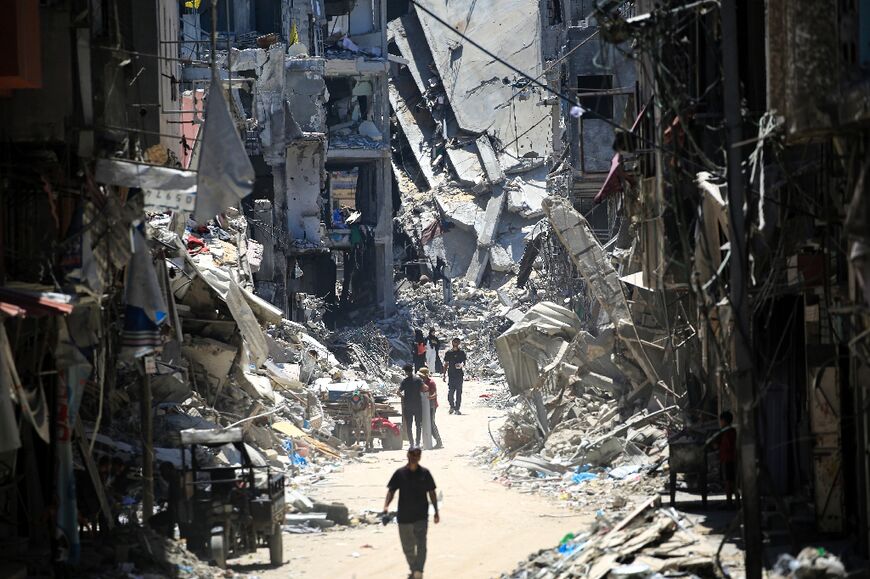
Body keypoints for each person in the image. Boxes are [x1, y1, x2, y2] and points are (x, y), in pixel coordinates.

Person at [383, 447, 440, 579]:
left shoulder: (425, 473)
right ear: (407, 455)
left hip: (421, 516)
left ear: (420, 457)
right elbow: (391, 491)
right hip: (404, 516)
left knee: (421, 545)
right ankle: (415, 569)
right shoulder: (400, 473)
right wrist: (386, 506)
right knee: (407, 547)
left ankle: (418, 571)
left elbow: (432, 493)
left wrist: (436, 512)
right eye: (413, 454)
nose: (415, 457)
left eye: (417, 455)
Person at [149, 462, 181, 538]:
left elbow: (177, 498)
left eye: (163, 472)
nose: (162, 475)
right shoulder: (173, 480)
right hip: (174, 510)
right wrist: (165, 500)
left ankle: (164, 538)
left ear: (168, 470)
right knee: (153, 521)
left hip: (178, 512)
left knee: (153, 521)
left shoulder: (176, 480)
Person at [715, 410, 739, 508]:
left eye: (721, 421)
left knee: (729, 481)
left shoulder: (727, 432)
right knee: (731, 481)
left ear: (724, 421)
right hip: (729, 458)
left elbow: (728, 445)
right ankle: (734, 501)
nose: (720, 423)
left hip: (728, 459)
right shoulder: (730, 431)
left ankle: (729, 502)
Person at [399, 364, 425, 448]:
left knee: (409, 426)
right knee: (418, 425)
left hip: (408, 405)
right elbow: (425, 388)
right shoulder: (418, 380)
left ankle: (411, 443)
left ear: (406, 372)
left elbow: (398, 392)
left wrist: (403, 397)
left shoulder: (405, 381)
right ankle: (417, 443)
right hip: (418, 405)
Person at [417, 367, 443, 449]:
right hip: (423, 406)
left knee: (431, 423)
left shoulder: (431, 382)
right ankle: (426, 441)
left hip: (432, 405)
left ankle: (439, 441)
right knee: (424, 423)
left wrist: (428, 397)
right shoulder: (420, 382)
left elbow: (435, 394)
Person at [443, 337, 467, 415]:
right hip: (451, 374)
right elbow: (446, 364)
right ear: (452, 343)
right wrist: (444, 375)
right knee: (451, 392)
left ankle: (457, 408)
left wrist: (461, 365)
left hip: (459, 375)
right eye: (454, 342)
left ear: (459, 343)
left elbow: (464, 362)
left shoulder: (462, 353)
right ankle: (452, 406)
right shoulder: (448, 353)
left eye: (457, 342)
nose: (455, 343)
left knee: (459, 392)